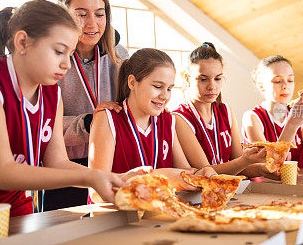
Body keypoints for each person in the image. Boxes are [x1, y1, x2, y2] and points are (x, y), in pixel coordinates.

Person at [0, 0, 127, 217]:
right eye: (59, 51)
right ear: (22, 42)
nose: (67, 64)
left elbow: (57, 162)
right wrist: (90, 178)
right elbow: (3, 171)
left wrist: (108, 177)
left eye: (70, 54)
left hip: (16, 203)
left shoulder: (52, 95)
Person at [43, 0, 129, 210]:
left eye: (99, 14)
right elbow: (43, 126)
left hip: (110, 163)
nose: (92, 23)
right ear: (63, 14)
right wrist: (89, 123)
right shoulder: (49, 58)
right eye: (81, 14)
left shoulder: (118, 53)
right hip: (64, 169)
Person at [88, 48, 215, 198]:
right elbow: (96, 192)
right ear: (132, 82)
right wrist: (158, 178)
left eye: (169, 89)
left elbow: (184, 171)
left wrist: (201, 173)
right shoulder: (107, 118)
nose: (164, 96)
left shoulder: (167, 120)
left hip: (155, 216)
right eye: (157, 86)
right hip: (113, 219)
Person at [173, 43, 268, 176]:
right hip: (201, 193)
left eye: (217, 78)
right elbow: (206, 173)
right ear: (187, 78)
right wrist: (245, 161)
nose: (212, 86)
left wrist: (264, 170)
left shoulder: (226, 111)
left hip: (229, 190)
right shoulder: (179, 118)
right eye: (203, 79)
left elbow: (240, 166)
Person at [242, 55, 303, 176]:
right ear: (261, 86)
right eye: (278, 81)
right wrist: (292, 124)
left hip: (298, 187)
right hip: (266, 189)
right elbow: (271, 166)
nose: (285, 86)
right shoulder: (252, 117)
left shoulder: (300, 115)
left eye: (290, 80)